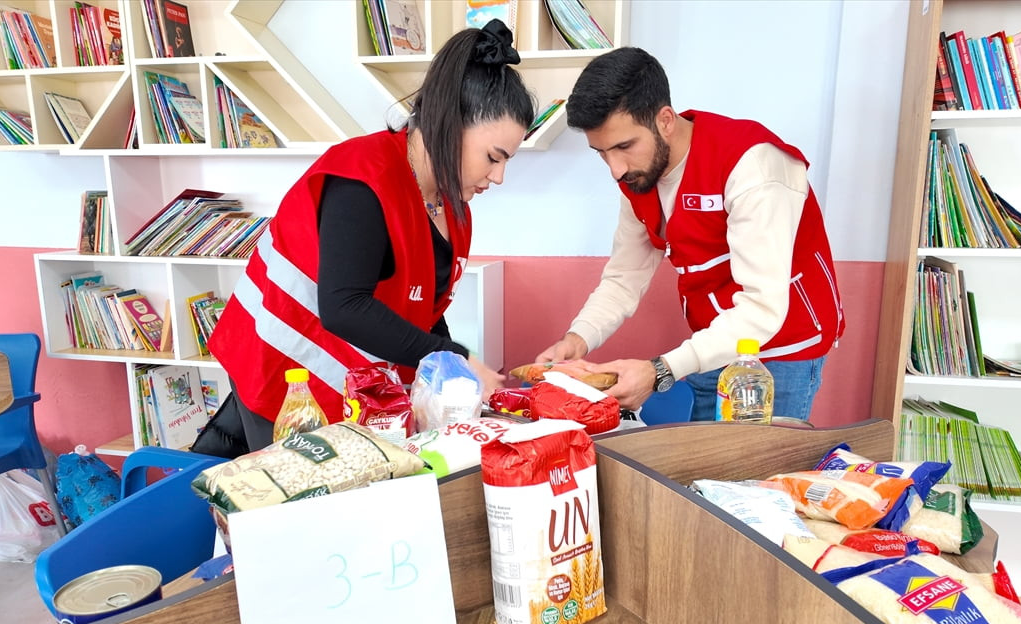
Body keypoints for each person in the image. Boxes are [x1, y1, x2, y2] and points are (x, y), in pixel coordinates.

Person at [208, 20, 534, 450]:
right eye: (494, 157)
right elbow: (344, 307)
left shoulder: (450, 206)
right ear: (450, 123)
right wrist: (457, 357)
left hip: (338, 376)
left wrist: (452, 370)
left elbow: (422, 309)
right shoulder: (364, 177)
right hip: (280, 365)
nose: (499, 176)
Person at [536, 47, 844, 422]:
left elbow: (761, 308)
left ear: (665, 120)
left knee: (759, 476)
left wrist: (661, 369)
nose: (615, 169)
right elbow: (623, 280)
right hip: (710, 343)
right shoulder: (638, 177)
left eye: (623, 146)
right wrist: (578, 338)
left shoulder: (754, 166)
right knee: (705, 472)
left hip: (780, 351)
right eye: (601, 152)